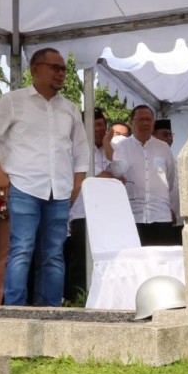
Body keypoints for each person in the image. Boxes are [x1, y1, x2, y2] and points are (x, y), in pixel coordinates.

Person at [0, 48, 89, 306]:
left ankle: (51, 312)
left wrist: (77, 184)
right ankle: (15, 312)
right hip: (23, 186)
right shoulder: (13, 100)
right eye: (55, 67)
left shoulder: (69, 108)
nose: (61, 74)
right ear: (35, 69)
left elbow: (81, 149)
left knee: (54, 255)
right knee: (22, 251)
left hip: (60, 190)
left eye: (63, 69)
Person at [109, 105, 180, 246]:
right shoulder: (121, 147)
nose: (145, 123)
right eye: (140, 119)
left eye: (148, 119)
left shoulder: (163, 148)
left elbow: (170, 180)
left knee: (161, 263)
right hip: (133, 216)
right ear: (131, 122)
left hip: (161, 216)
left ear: (153, 123)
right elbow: (117, 173)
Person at [64, 108, 113, 302]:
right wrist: (106, 178)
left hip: (105, 216)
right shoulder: (77, 149)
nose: (99, 129)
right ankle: (77, 300)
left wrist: (109, 146)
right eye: (95, 125)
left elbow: (120, 169)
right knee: (80, 261)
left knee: (103, 260)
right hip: (82, 213)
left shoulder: (109, 149)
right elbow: (93, 176)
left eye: (102, 125)